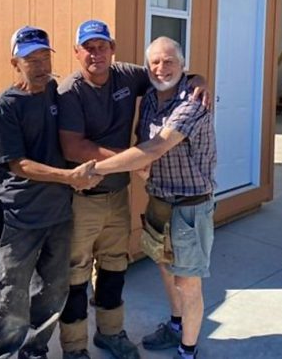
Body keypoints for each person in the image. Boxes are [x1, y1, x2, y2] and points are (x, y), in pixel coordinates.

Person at [57, 21, 209, 359]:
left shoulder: (127, 74)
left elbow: (168, 72)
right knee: (76, 273)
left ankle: (110, 333)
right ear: (77, 52)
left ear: (112, 47)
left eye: (101, 46)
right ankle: (75, 346)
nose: (96, 54)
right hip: (84, 199)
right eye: (88, 47)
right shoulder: (70, 91)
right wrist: (132, 161)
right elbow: (72, 148)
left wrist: (199, 79)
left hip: (118, 195)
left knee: (114, 267)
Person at [0, 26, 101, 359]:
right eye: (31, 58)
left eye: (45, 56)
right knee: (11, 294)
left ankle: (34, 351)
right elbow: (17, 164)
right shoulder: (5, 106)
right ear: (14, 61)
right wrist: (69, 176)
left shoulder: (55, 94)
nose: (41, 64)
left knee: (53, 290)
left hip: (58, 215)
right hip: (19, 216)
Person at [92, 36, 216, 359]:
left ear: (184, 66)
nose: (162, 68)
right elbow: (141, 141)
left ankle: (187, 351)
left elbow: (156, 146)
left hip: (189, 207)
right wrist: (143, 169)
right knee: (164, 266)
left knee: (188, 283)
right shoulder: (148, 98)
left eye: (170, 61)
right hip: (158, 201)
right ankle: (176, 325)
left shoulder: (193, 103)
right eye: (155, 63)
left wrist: (95, 169)